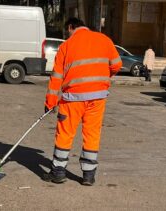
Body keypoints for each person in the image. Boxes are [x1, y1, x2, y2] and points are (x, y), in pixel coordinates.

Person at [43, 17, 122, 186]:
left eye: (67, 32)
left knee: (65, 134)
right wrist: (102, 78)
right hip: (98, 97)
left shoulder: (66, 46)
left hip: (73, 99)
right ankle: (88, 175)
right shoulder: (104, 40)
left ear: (71, 27)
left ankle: (58, 172)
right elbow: (116, 64)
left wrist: (50, 102)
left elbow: (56, 77)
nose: (67, 35)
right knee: (92, 134)